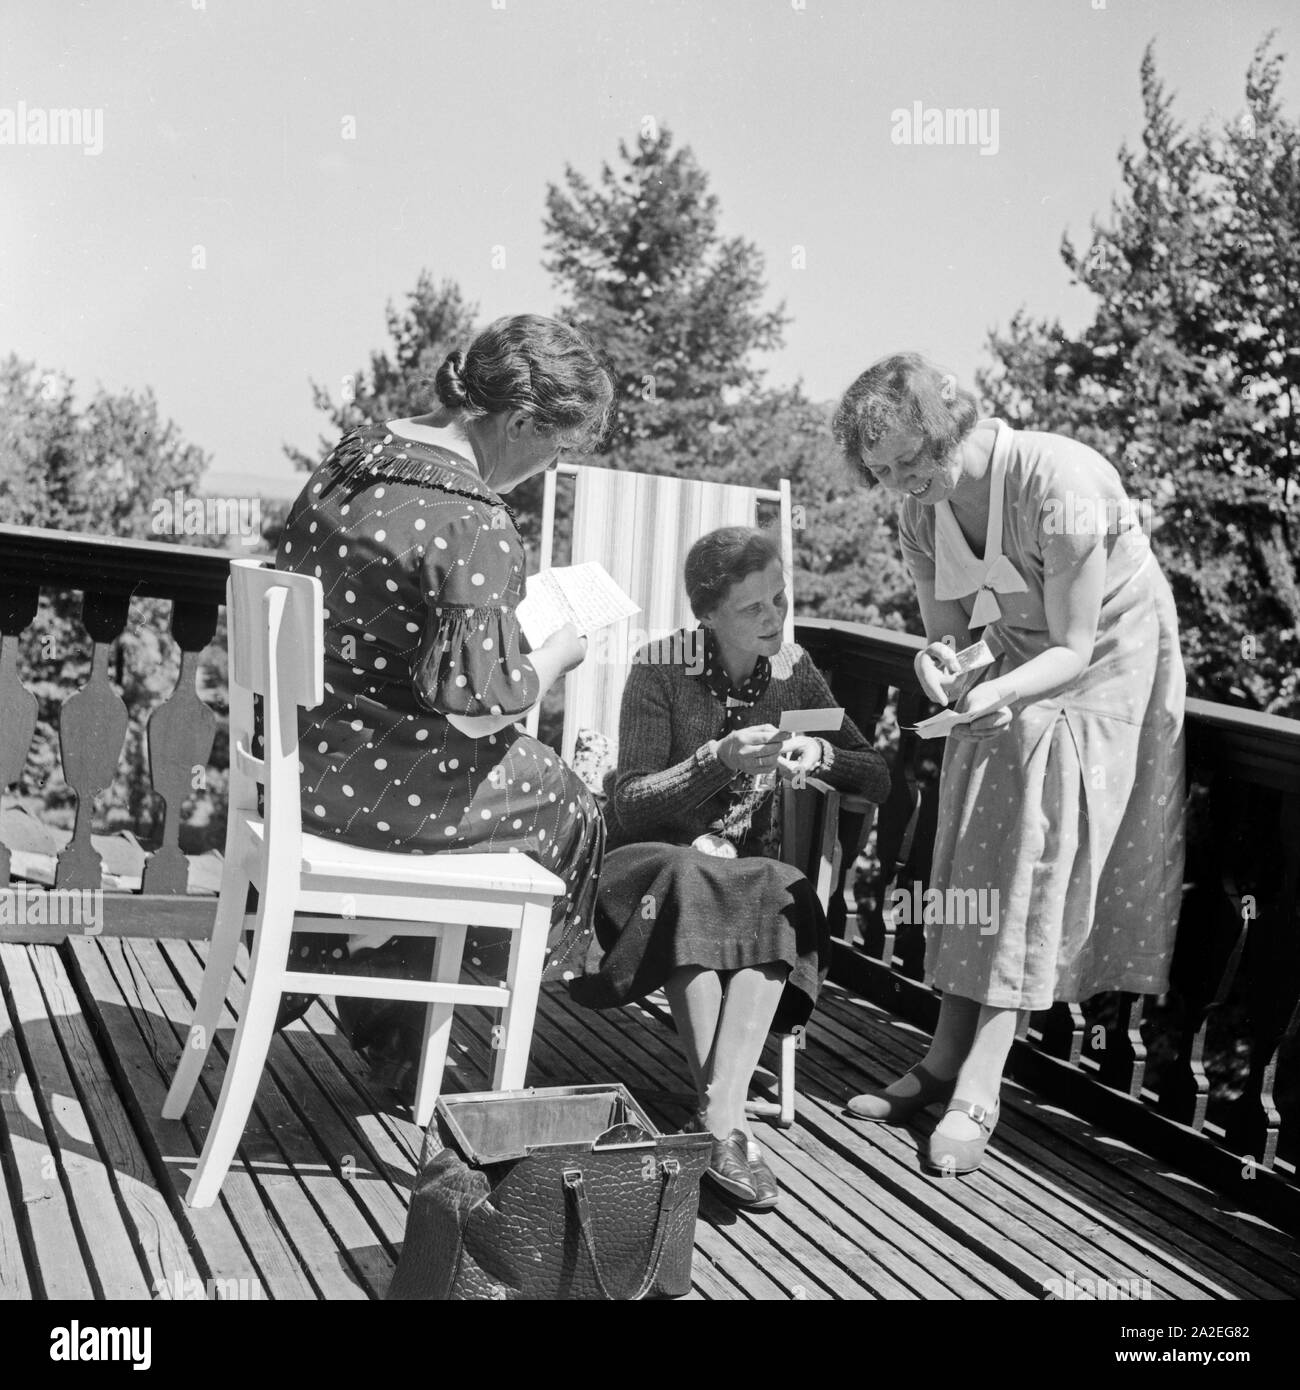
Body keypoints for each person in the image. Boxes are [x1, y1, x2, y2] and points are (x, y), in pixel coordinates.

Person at [833, 353, 1186, 1174]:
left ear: (947, 425)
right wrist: (942, 668)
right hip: (1027, 654)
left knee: (1027, 860)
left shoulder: (1059, 482)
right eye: (881, 470)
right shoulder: (921, 516)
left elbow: (1074, 646)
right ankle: (941, 1060)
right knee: (974, 848)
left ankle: (977, 1087)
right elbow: (949, 638)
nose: (900, 482)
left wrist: (999, 696)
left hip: (1101, 659)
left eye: (912, 460)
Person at [273, 313, 614, 1094]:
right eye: (554, 445)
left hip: (302, 760)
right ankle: (395, 984)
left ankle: (377, 985)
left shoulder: (357, 455)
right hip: (379, 786)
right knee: (568, 810)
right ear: (522, 421)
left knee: (538, 794)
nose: (549, 463)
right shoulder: (475, 520)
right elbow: (474, 713)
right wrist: (554, 656)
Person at [569, 527, 890, 1210]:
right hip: (654, 865)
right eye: (754, 609)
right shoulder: (661, 669)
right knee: (693, 881)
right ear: (708, 617)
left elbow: (876, 774)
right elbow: (628, 807)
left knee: (782, 891)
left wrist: (818, 752)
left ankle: (718, 1119)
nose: (775, 618)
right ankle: (728, 1120)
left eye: (780, 598)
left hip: (743, 874)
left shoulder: (794, 671)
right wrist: (715, 760)